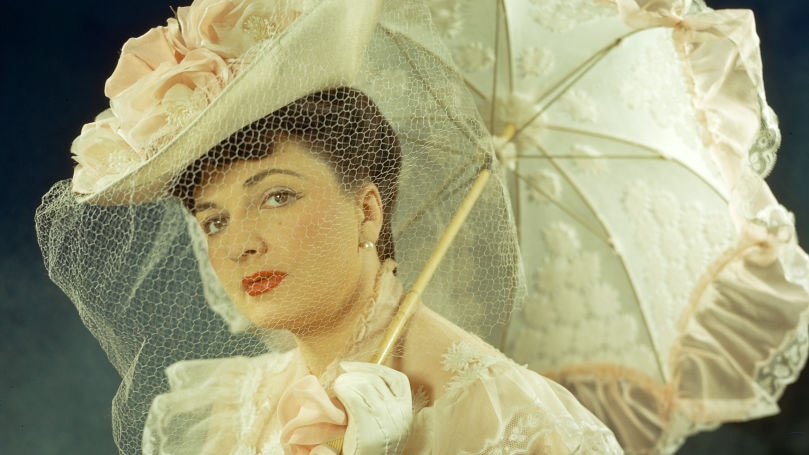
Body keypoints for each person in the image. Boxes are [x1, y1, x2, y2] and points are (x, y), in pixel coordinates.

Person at [36, 0, 623, 453]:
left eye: (276, 196)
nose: (240, 245)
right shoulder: (235, 406)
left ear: (368, 210)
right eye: (213, 221)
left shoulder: (517, 418)